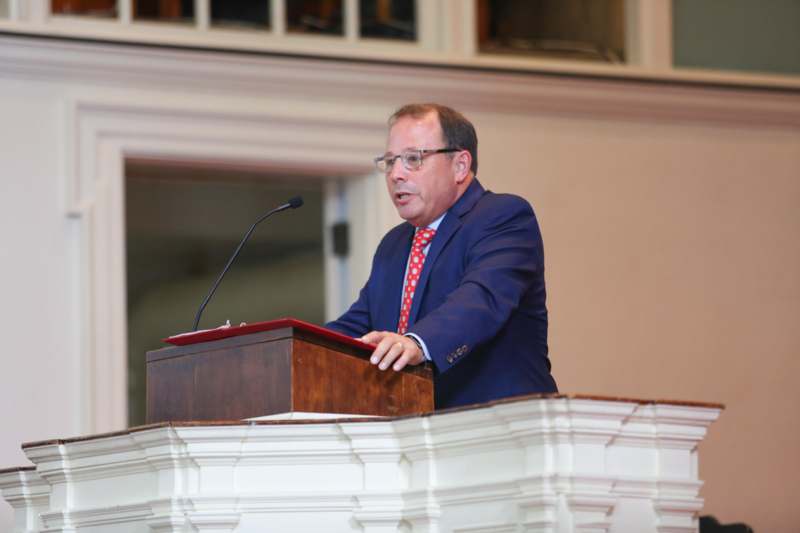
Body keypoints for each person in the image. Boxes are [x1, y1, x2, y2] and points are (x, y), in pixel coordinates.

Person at [326, 103, 557, 408]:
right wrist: (282, 344)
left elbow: (480, 300)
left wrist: (418, 342)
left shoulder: (503, 217)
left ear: (460, 165)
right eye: (390, 161)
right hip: (420, 429)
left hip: (504, 427)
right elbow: (359, 327)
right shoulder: (393, 245)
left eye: (412, 159)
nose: (395, 174)